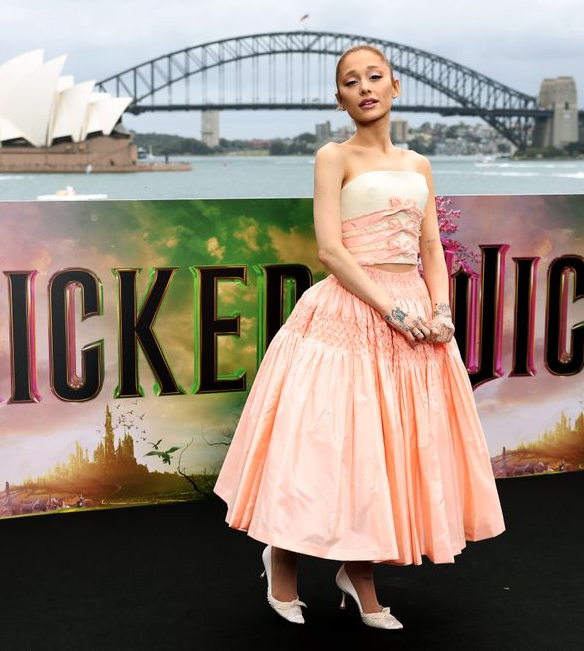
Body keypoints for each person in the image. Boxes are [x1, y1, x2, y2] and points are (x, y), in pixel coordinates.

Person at [213, 44, 506, 630]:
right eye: (351, 81)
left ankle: (360, 573)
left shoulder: (419, 164)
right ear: (340, 98)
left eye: (375, 77)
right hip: (352, 313)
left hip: (418, 317)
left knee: (389, 451)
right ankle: (284, 563)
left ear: (396, 87)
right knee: (327, 448)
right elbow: (329, 250)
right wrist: (391, 310)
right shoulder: (332, 156)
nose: (365, 87)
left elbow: (429, 247)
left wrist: (442, 309)